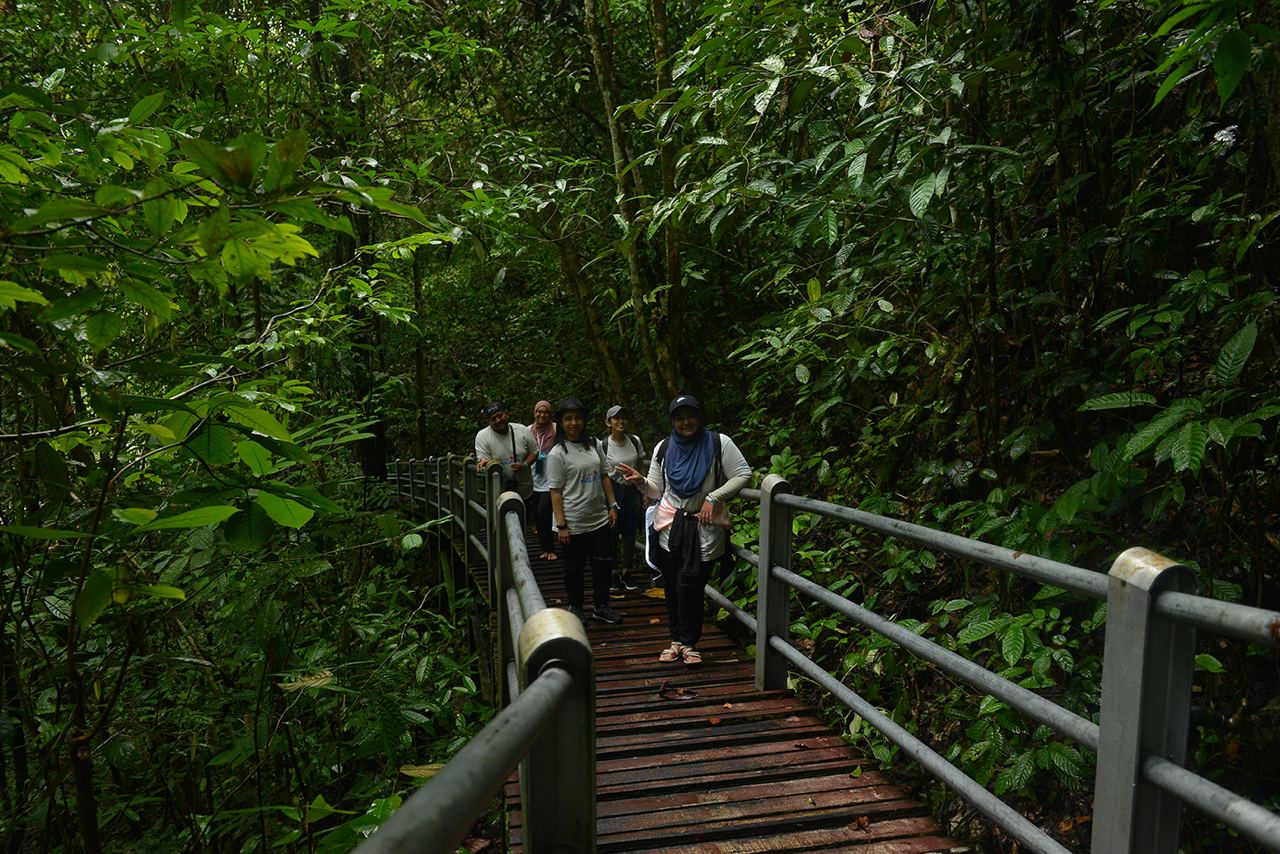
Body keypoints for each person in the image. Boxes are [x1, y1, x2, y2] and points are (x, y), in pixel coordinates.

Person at [616, 394, 750, 665]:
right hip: (669, 526)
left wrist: (714, 497)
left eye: (690, 416)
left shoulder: (718, 443)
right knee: (673, 585)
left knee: (691, 584)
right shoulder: (664, 447)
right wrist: (641, 481)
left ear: (700, 417)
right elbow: (656, 490)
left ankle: (689, 642)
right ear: (673, 421)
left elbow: (743, 474)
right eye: (679, 418)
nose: (686, 422)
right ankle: (676, 641)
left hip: (704, 527)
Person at [546, 397, 623, 624]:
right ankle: (576, 607)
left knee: (603, 564)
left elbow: (604, 475)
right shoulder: (557, 453)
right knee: (574, 569)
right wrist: (561, 525)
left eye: (578, 417)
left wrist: (612, 505)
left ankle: (601, 607)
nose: (573, 423)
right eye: (568, 418)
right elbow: (555, 491)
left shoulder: (595, 444)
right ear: (560, 422)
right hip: (572, 522)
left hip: (598, 519)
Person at [600, 405, 644, 596]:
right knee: (611, 533)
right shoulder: (603, 445)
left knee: (629, 533)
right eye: (616, 419)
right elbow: (603, 474)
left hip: (632, 490)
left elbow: (641, 465)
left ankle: (626, 570)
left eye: (623, 418)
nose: (620, 422)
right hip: (612, 491)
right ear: (608, 422)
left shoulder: (635, 441)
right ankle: (613, 571)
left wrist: (644, 491)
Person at [473, 402, 538, 500]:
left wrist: (524, 465)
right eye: (493, 419)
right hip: (499, 492)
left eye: (500, 415)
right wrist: (486, 464)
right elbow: (484, 460)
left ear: (507, 414)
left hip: (525, 490)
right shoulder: (483, 436)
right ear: (488, 422)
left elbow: (534, 451)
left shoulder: (522, 430)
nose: (498, 420)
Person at [528, 400, 558, 561]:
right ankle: (545, 548)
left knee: (544, 512)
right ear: (534, 413)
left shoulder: (556, 429)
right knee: (538, 516)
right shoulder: (528, 431)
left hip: (551, 479)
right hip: (534, 479)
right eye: (539, 411)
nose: (542, 415)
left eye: (545, 412)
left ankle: (552, 548)